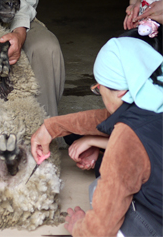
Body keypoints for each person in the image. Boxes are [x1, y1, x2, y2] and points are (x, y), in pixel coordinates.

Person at [31, 37, 163, 236]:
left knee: (98, 192)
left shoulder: (128, 136)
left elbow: (100, 229)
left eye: (98, 89)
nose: (99, 94)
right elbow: (104, 119)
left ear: (119, 92)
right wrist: (51, 128)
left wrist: (79, 227)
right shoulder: (153, 95)